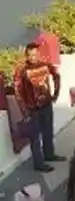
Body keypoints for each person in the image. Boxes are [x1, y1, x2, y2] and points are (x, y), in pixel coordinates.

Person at [13, 42, 63, 172]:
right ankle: (39, 163)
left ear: (38, 54)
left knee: (48, 131)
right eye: (30, 55)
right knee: (35, 138)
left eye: (35, 55)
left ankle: (49, 154)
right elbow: (17, 91)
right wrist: (24, 111)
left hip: (46, 104)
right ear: (26, 56)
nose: (33, 58)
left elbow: (56, 76)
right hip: (32, 108)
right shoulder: (22, 70)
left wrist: (55, 93)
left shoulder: (45, 65)